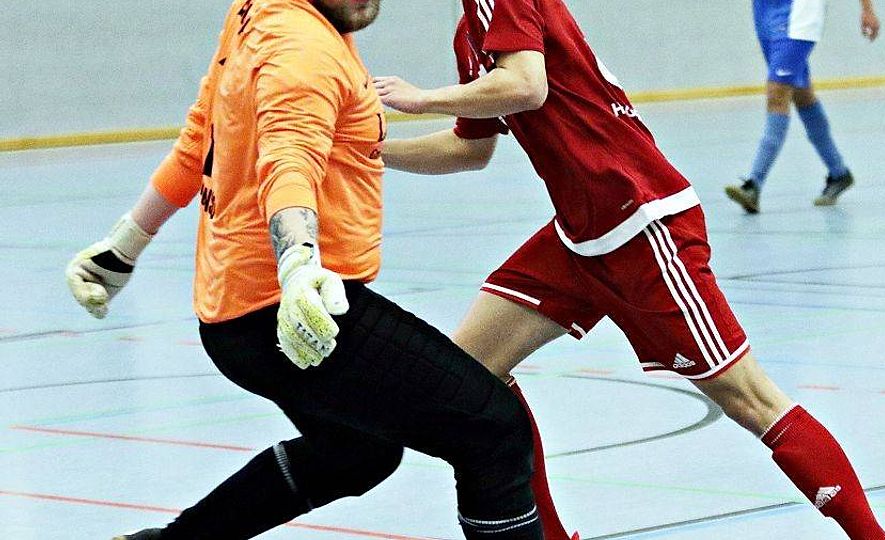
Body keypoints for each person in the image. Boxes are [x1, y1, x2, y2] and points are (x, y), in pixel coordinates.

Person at [373, 0, 885, 538]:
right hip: (579, 236)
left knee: (752, 400)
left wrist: (421, 99)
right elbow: (471, 148)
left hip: (642, 225)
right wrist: (371, 151)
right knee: (472, 371)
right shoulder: (470, 30)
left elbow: (526, 85)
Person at [65, 1, 545, 539]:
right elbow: (288, 163)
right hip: (292, 314)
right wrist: (297, 265)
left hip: (236, 314)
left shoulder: (258, 12)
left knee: (355, 452)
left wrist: (125, 244)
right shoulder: (305, 49)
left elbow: (203, 131)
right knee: (492, 431)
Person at [725, 0, 881, 213]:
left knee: (777, 94)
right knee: (802, 95)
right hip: (765, 13)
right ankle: (839, 173)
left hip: (799, 17)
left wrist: (867, 10)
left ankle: (754, 184)